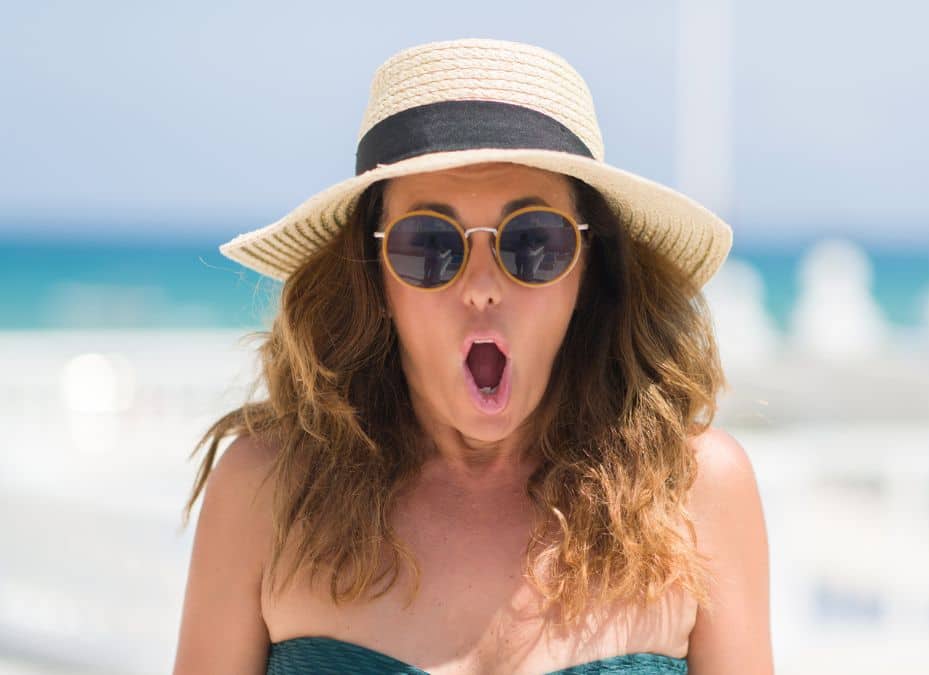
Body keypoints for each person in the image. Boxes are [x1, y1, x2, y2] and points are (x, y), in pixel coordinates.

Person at [173, 38, 772, 674]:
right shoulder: (265, 489)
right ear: (372, 276)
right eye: (428, 244)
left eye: (533, 243)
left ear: (588, 271)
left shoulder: (694, 490)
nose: (482, 285)